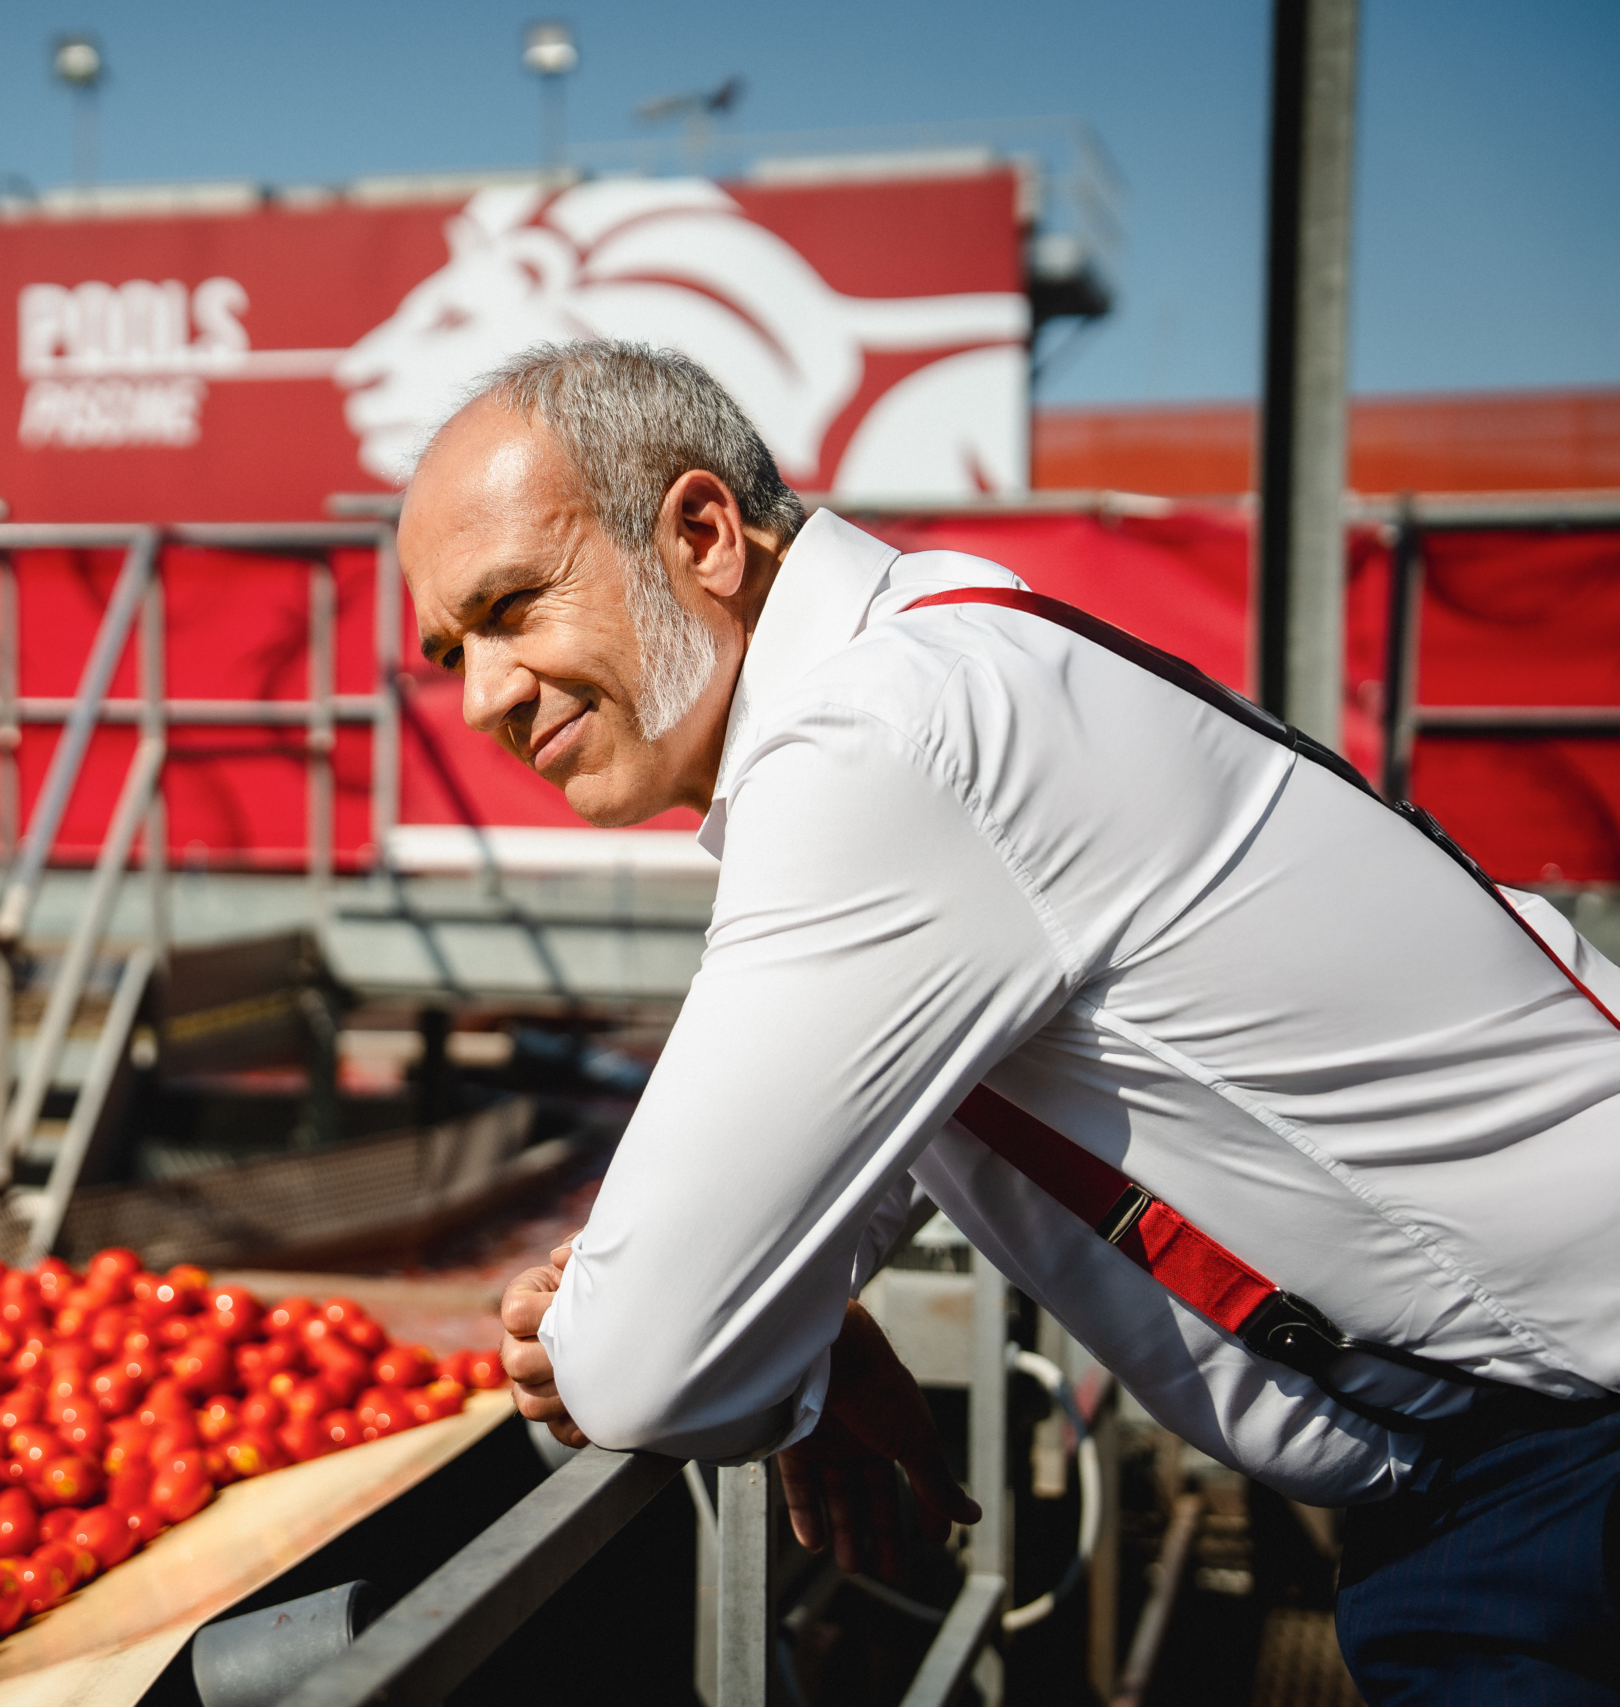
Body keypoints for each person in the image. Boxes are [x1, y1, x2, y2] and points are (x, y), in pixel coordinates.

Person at [396, 339, 1620, 1701]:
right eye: (453, 649)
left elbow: (643, 1364)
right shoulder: (932, 650)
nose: (483, 698)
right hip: (1510, 1453)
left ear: (702, 534)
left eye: (513, 606)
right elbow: (911, 1107)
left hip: (1567, 1448)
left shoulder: (885, 738)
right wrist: (795, 1307)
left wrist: (757, 1336)